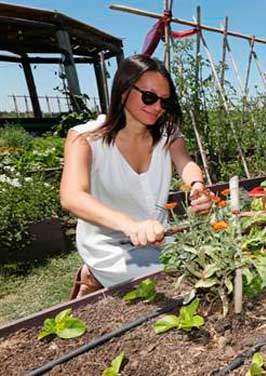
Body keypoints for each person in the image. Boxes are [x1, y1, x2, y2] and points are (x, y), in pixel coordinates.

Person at [60, 55, 211, 298]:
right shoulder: (85, 138)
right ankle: (94, 274)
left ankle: (94, 279)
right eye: (149, 97)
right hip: (109, 246)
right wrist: (130, 226)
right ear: (123, 90)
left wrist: (196, 185)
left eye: (165, 102)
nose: (157, 108)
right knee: (170, 287)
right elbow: (72, 196)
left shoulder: (167, 134)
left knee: (197, 270)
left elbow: (186, 162)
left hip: (159, 239)